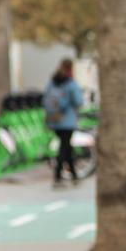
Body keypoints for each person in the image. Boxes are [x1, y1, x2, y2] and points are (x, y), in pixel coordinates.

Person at [43, 59, 84, 188]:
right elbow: (78, 101)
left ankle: (73, 175)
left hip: (54, 120)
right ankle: (58, 176)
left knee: (66, 147)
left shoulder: (52, 82)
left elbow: (45, 99)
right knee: (64, 148)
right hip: (67, 120)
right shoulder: (70, 83)